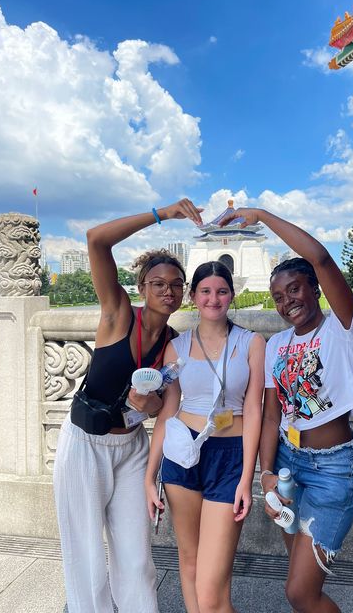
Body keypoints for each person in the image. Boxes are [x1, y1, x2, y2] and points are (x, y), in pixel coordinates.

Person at [53, 199, 203, 613]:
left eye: (176, 285)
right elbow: (96, 240)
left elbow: (158, 408)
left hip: (132, 448)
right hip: (86, 444)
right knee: (85, 555)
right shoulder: (118, 314)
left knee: (137, 557)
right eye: (158, 283)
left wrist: (148, 402)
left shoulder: (172, 342)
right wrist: (162, 214)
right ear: (142, 288)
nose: (168, 291)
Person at [220, 207, 353, 613]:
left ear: (315, 288)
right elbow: (271, 415)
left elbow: (320, 258)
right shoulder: (275, 345)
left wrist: (262, 216)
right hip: (287, 464)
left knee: (300, 593)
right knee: (299, 577)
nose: (288, 302)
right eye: (279, 297)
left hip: (334, 470)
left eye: (296, 290)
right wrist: (265, 475)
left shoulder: (344, 329)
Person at [145, 260, 265, 613]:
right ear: (194, 297)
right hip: (183, 454)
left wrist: (247, 478)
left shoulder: (251, 343)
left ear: (232, 295)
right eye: (206, 291)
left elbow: (255, 409)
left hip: (230, 457)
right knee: (191, 561)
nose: (214, 299)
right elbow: (167, 412)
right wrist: (149, 477)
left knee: (212, 589)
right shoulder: (177, 348)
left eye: (222, 291)